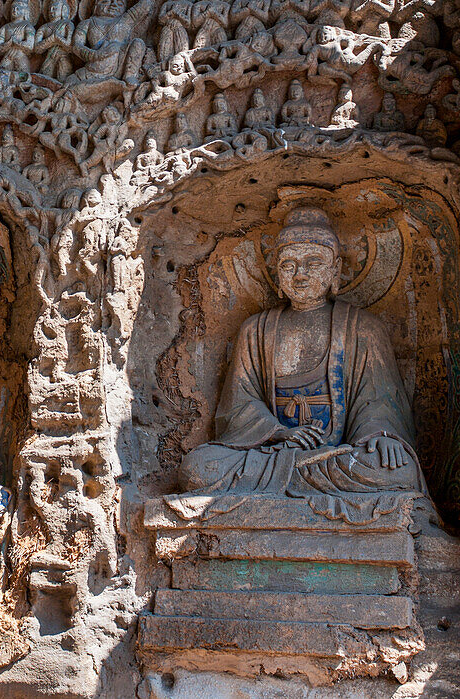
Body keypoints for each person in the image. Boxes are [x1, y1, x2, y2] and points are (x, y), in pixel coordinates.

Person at [179, 207, 424, 501]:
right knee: (197, 467)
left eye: (313, 263)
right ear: (276, 273)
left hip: (338, 456)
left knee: (400, 470)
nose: (300, 275)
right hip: (275, 452)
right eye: (288, 265)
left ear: (336, 270)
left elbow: (379, 401)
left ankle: (290, 483)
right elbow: (239, 405)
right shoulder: (256, 330)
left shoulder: (363, 328)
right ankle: (302, 480)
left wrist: (383, 436)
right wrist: (279, 432)